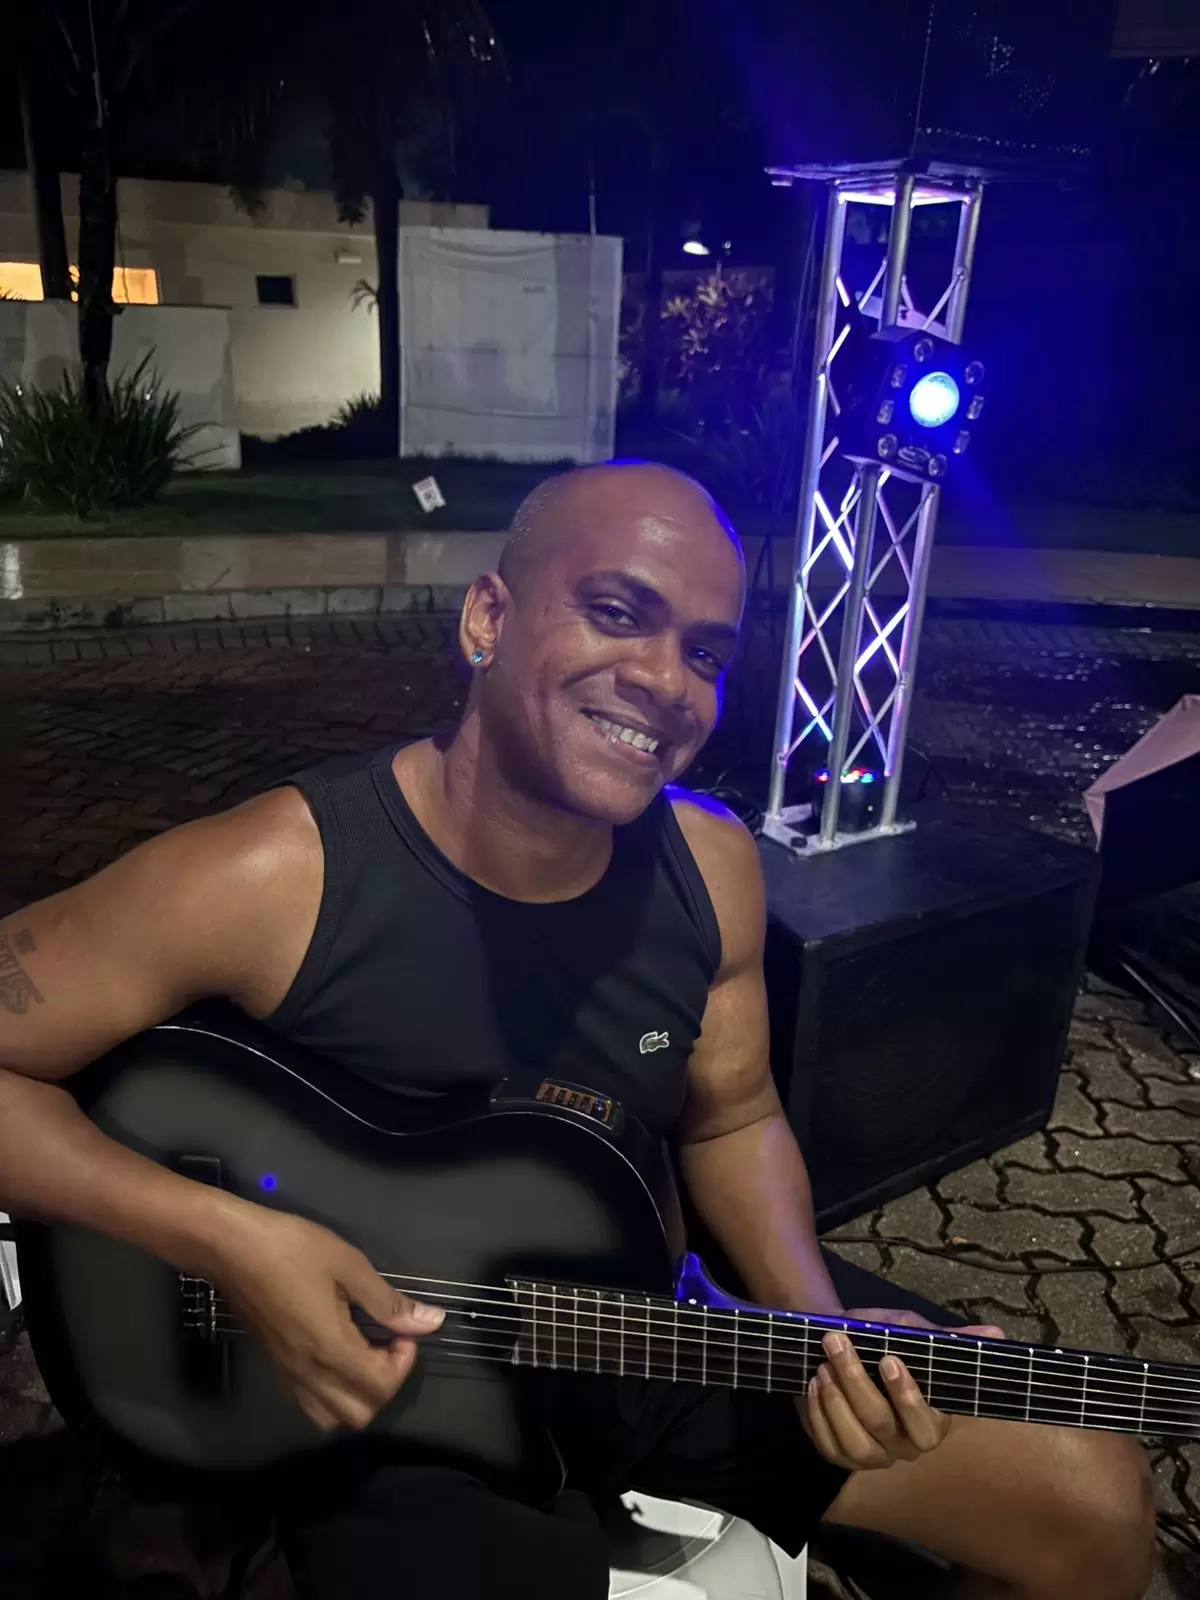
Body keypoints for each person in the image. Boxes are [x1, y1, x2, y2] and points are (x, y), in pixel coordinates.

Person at [0, 462, 1155, 1599]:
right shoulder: (275, 873)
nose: (665, 680)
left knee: (1093, 1505)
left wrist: (820, 1334)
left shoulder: (710, 867)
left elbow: (734, 1118)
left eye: (705, 653)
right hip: (383, 1401)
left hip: (643, 1326)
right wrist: (224, 1239)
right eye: (617, 612)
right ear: (488, 618)